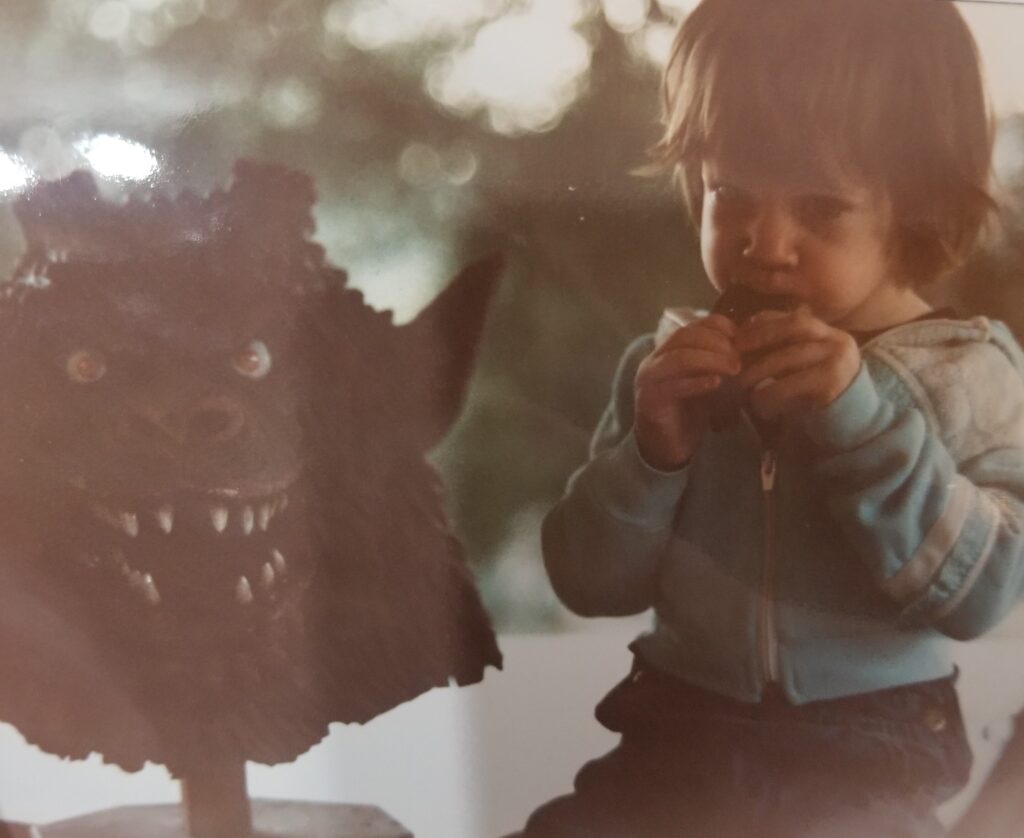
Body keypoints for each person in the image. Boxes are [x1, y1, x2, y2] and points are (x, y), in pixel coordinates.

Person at [506, 0, 1024, 836]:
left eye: (820, 208)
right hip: (678, 729)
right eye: (731, 194)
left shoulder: (966, 371)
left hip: (867, 746)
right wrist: (652, 456)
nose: (765, 242)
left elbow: (982, 595)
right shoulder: (667, 367)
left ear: (914, 203)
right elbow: (587, 581)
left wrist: (863, 424)